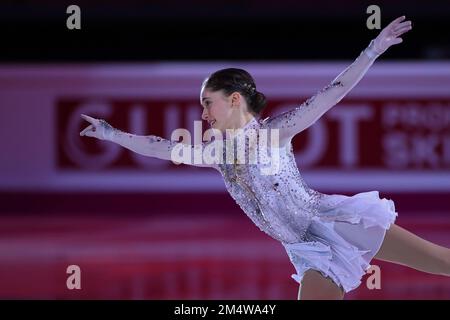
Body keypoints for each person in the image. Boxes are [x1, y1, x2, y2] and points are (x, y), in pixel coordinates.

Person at [80, 16, 450, 300]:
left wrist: (373, 49)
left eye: (208, 104)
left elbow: (331, 94)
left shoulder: (274, 133)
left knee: (442, 263)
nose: (204, 115)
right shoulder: (215, 153)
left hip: (337, 224)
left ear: (235, 99)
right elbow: (160, 146)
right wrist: (111, 134)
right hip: (306, 249)